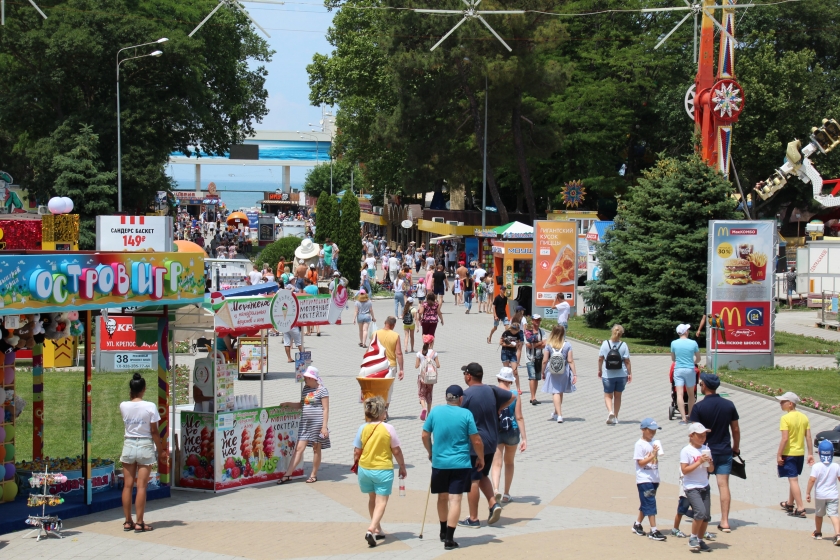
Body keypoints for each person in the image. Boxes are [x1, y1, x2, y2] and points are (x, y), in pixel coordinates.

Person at [422, 385, 483, 550]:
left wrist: (430, 452)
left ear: (446, 397)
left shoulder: (435, 412)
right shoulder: (466, 414)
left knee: (442, 497)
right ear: (461, 399)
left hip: (440, 462)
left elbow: (424, 434)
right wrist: (481, 457)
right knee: (455, 499)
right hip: (460, 463)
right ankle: (449, 538)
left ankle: (442, 531)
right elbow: (476, 440)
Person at [459, 362, 513, 529]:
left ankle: (473, 518)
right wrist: (498, 408)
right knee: (482, 475)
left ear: (468, 376)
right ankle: (493, 504)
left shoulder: (466, 395)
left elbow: (459, 417)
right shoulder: (491, 389)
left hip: (476, 444)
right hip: (492, 441)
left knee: (473, 480)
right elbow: (512, 396)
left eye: (464, 374)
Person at [688, 373, 740, 533]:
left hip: (705, 451)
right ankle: (725, 521)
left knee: (701, 483)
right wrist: (736, 448)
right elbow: (735, 429)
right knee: (723, 485)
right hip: (724, 450)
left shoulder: (699, 407)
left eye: (701, 383)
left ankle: (702, 515)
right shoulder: (729, 405)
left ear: (704, 386)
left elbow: (695, 432)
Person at [353, 396, 407, 547]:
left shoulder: (362, 428)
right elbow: (396, 450)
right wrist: (402, 466)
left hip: (365, 468)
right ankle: (371, 529)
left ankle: (377, 529)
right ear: (382, 412)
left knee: (372, 499)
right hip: (383, 469)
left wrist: (356, 464)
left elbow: (357, 451)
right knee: (381, 501)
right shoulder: (388, 428)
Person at [120, 373, 167, 533]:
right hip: (145, 445)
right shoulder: (150, 406)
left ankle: (127, 521)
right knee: (141, 487)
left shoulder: (123, 405)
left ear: (131, 389)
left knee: (127, 486)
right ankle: (139, 523)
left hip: (129, 443)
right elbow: (154, 432)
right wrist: (161, 451)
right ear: (144, 389)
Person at [278, 367, 329, 484]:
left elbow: (325, 409)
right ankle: (288, 474)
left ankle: (313, 474)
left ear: (312, 378)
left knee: (316, 448)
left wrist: (324, 426)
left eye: (306, 378)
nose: (304, 379)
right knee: (299, 448)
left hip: (317, 423)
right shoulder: (306, 389)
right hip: (305, 423)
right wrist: (288, 404)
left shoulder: (323, 390)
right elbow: (301, 405)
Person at [490, 367, 527, 504]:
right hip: (512, 430)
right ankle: (506, 493)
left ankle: (495, 490)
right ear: (511, 381)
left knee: (496, 463)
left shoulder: (493, 393)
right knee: (509, 462)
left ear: (499, 378)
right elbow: (519, 417)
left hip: (497, 430)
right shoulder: (515, 394)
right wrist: (524, 438)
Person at [777, 391, 815, 518]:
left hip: (789, 453)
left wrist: (779, 454)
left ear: (790, 404)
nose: (780, 404)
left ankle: (800, 508)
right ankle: (789, 503)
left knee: (793, 480)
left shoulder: (785, 418)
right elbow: (808, 437)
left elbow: (784, 439)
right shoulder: (804, 417)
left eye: (783, 402)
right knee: (793, 478)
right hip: (800, 453)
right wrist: (810, 453)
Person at [680, 423, 715, 552]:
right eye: (699, 435)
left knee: (706, 516)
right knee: (699, 512)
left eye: (704, 435)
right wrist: (699, 462)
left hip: (704, 485)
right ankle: (693, 538)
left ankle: (700, 540)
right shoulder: (686, 451)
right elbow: (684, 470)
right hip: (691, 486)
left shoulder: (706, 449)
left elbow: (711, 469)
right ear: (691, 435)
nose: (702, 438)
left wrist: (709, 463)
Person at [631, 418, 666, 541]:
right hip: (644, 479)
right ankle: (654, 530)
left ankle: (637, 524)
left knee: (646, 503)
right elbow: (640, 463)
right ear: (643, 430)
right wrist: (652, 456)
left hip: (654, 478)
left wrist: (656, 453)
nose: (653, 433)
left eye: (655, 430)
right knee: (650, 503)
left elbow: (658, 456)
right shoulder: (639, 444)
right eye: (650, 430)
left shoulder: (655, 442)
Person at [541, 324, 577, 423]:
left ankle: (560, 415)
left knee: (555, 391)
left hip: (552, 370)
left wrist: (542, 371)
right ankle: (556, 412)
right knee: (560, 391)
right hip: (563, 370)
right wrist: (574, 374)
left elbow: (544, 360)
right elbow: (570, 360)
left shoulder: (549, 345)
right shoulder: (567, 345)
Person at [806, 440, 840, 543]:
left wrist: (808, 493)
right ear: (832, 453)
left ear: (819, 453)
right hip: (833, 495)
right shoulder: (836, 466)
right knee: (834, 514)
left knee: (819, 514)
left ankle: (818, 533)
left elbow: (812, 480)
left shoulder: (816, 467)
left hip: (820, 495)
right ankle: (838, 534)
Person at [598, 324, 631, 425]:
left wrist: (599, 370)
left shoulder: (605, 344)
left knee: (608, 396)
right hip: (621, 374)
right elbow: (627, 361)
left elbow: (600, 358)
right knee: (618, 396)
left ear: (612, 332)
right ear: (621, 334)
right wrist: (629, 373)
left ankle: (610, 412)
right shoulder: (624, 345)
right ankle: (616, 417)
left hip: (608, 374)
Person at [671, 324, 700, 424]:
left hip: (678, 369)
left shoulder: (674, 343)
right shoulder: (693, 343)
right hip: (690, 369)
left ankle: (683, 418)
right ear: (686, 332)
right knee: (691, 394)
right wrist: (693, 362)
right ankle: (691, 416)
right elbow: (698, 358)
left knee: (679, 394)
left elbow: (673, 359)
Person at [375, 317, 405, 410]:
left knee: (378, 388)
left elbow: (370, 349)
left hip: (377, 364)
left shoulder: (375, 334)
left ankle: (377, 410)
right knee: (388, 389)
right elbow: (399, 353)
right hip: (390, 365)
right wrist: (401, 369)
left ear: (385, 322)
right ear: (393, 325)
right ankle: (385, 410)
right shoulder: (395, 335)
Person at [416, 334, 440, 420]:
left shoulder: (419, 353)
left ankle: (423, 408)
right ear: (432, 342)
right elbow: (438, 365)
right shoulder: (434, 353)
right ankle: (429, 413)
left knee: (421, 394)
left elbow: (416, 365)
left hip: (421, 377)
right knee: (429, 394)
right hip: (431, 378)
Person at [524, 315, 546, 405]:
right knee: (532, 377)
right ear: (532, 321)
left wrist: (535, 344)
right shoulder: (527, 332)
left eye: (539, 320)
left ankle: (533, 396)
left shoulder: (542, 332)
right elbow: (528, 345)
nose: (537, 322)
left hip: (539, 357)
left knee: (537, 378)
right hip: (530, 357)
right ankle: (533, 398)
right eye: (536, 320)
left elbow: (545, 344)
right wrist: (539, 343)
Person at [499, 321, 524, 394]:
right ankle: (505, 388)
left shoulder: (518, 334)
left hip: (513, 353)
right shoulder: (506, 333)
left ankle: (518, 388)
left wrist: (517, 344)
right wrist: (509, 345)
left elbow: (519, 343)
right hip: (505, 352)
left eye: (517, 331)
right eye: (515, 330)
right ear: (512, 329)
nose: (515, 332)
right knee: (506, 370)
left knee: (515, 371)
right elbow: (500, 343)